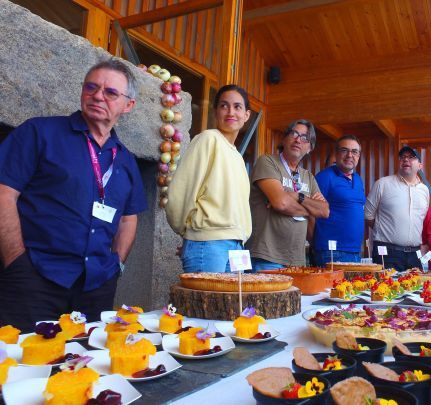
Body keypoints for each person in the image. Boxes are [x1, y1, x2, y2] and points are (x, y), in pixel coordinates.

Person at [0, 59, 147, 332]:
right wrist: (16, 260)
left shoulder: (126, 160)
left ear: (128, 105)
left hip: (96, 289)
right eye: (91, 87)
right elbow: (4, 193)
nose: (98, 95)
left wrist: (116, 266)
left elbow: (129, 218)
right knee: (23, 357)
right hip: (35, 279)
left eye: (110, 92)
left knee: (85, 357)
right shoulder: (39, 132)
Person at [166, 85, 252, 273]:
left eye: (237, 107)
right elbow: (181, 192)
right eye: (224, 106)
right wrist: (191, 233)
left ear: (246, 115)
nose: (230, 112)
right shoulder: (208, 139)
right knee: (207, 294)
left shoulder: (238, 157)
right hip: (209, 242)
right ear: (215, 112)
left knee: (234, 295)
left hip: (237, 245)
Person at [246, 120, 329, 270]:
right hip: (266, 258)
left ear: (310, 148)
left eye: (304, 137)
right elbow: (281, 203)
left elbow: (324, 211)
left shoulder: (308, 177)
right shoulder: (267, 162)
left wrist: (297, 197)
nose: (298, 139)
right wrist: (311, 209)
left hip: (296, 261)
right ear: (284, 139)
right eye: (294, 134)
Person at [365, 146, 430, 271]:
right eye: (403, 157)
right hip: (387, 252)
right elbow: (368, 215)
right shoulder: (382, 184)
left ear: (420, 166)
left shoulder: (424, 190)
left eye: (411, 157)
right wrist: (385, 230)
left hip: (415, 254)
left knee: (416, 284)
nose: (406, 160)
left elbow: (421, 219)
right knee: (385, 284)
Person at [312, 135, 365, 266]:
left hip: (355, 251)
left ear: (358, 156)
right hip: (331, 252)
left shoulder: (358, 179)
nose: (349, 155)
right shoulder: (324, 177)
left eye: (354, 151)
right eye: (344, 150)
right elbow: (311, 211)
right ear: (336, 153)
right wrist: (315, 243)